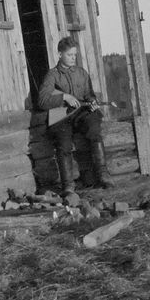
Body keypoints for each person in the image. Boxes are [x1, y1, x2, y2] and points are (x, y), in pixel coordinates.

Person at [37, 36, 113, 193]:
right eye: (69, 55)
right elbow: (42, 101)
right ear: (60, 55)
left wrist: (92, 102)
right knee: (63, 144)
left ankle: (103, 174)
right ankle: (68, 185)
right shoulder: (52, 75)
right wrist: (64, 97)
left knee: (94, 129)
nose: (73, 58)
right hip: (62, 117)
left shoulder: (81, 73)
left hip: (81, 114)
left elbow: (89, 94)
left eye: (74, 55)